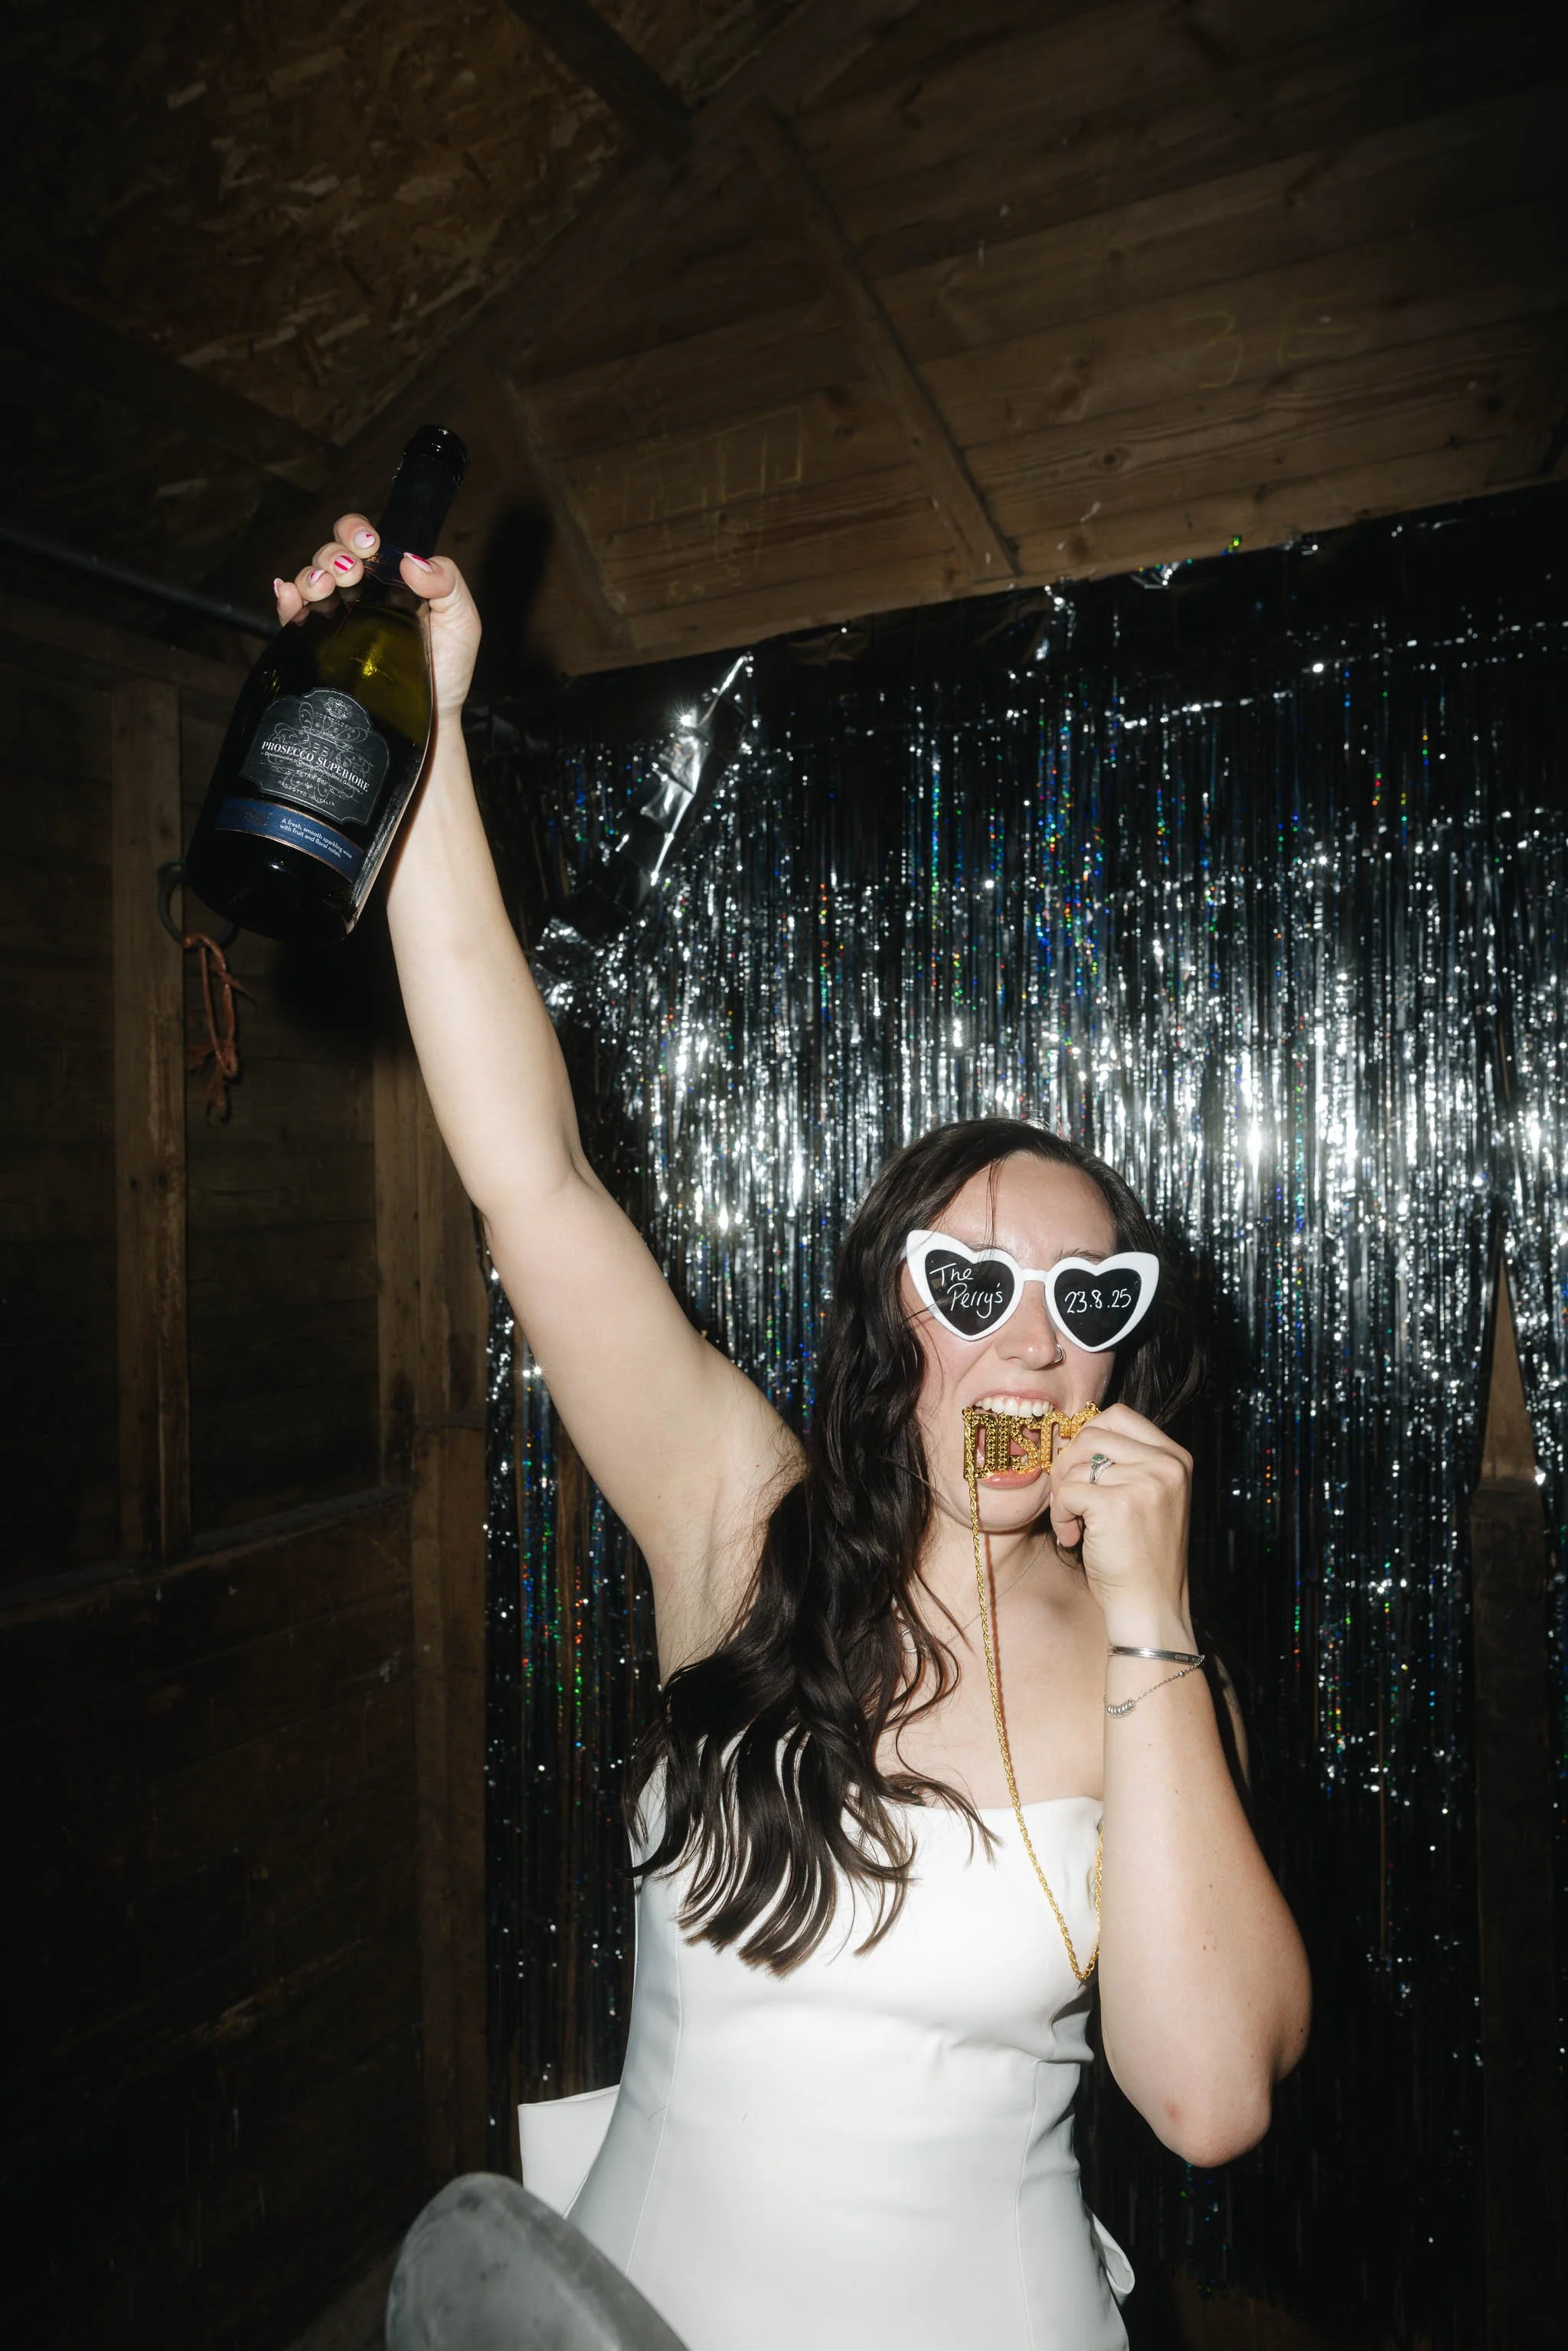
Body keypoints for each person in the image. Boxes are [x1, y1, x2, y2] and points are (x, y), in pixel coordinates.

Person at [276, 524, 1312, 2351]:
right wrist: (427, 742)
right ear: (888, 1314)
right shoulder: (737, 1520)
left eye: (1086, 1303)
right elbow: (534, 1174)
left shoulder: (1160, 1682)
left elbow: (1211, 2094)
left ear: (1122, 1370)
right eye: (966, 1279)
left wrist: (1146, 1605)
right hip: (627, 2309)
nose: (1021, 1335)